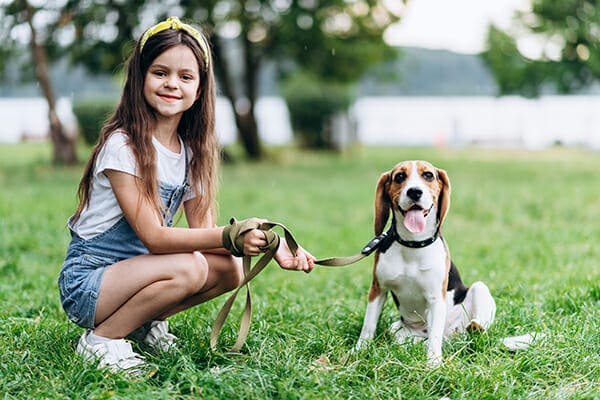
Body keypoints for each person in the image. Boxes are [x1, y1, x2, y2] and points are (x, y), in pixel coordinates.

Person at [58, 16, 315, 374]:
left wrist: (271, 246)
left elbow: (204, 234)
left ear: (199, 89)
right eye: (160, 73)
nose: (171, 84)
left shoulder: (191, 152)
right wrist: (233, 234)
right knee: (190, 265)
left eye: (185, 76)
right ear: (140, 78)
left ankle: (143, 324)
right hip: (90, 283)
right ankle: (102, 339)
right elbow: (155, 237)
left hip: (136, 276)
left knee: (229, 269)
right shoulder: (124, 146)